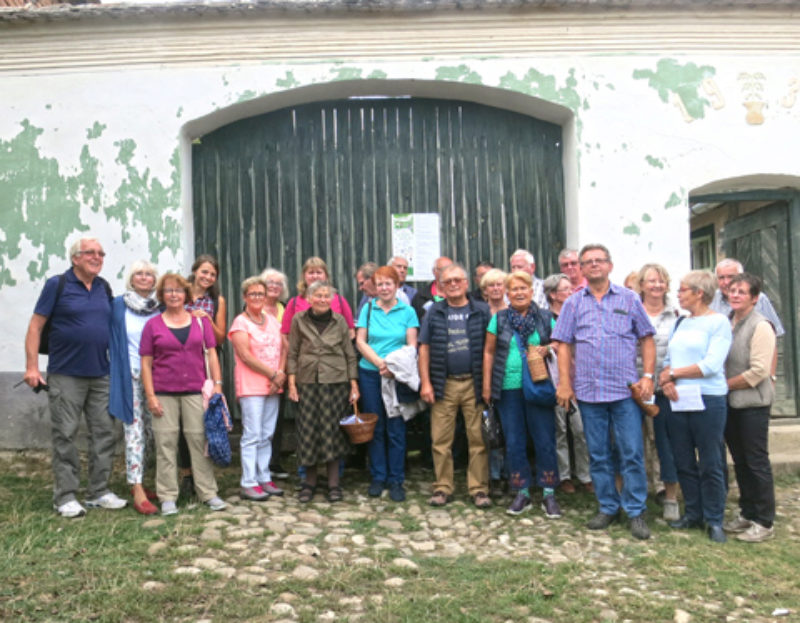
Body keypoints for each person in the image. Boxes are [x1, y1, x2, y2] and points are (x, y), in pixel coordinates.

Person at [552, 244, 655, 540]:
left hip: (624, 392)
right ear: (581, 270)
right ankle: (608, 506)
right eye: (588, 262)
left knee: (631, 453)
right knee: (598, 454)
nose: (594, 265)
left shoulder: (630, 299)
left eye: (600, 261)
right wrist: (564, 383)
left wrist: (648, 375)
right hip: (588, 393)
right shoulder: (573, 303)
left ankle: (635, 511)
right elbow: (563, 344)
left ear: (610, 265)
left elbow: (646, 338)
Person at [24, 236, 127, 518]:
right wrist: (32, 367)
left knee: (105, 433)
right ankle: (65, 495)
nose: (97, 257)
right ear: (75, 258)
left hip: (100, 373)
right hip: (65, 375)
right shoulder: (57, 285)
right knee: (65, 435)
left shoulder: (103, 287)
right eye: (90, 253)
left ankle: (98, 491)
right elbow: (35, 327)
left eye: (101, 253)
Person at [140, 273, 227, 515]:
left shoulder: (200, 322)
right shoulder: (153, 325)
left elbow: (211, 354)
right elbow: (146, 363)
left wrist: (217, 385)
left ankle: (208, 493)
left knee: (199, 442)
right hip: (164, 392)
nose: (174, 295)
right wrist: (151, 396)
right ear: (162, 296)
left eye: (178, 291)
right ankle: (168, 496)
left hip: (195, 392)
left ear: (186, 295)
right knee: (165, 444)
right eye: (168, 291)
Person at [658, 270, 732, 543]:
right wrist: (666, 381)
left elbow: (711, 365)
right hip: (678, 399)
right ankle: (693, 512)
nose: (678, 293)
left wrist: (674, 373)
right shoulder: (681, 323)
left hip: (708, 399)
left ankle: (714, 519)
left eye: (683, 289)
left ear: (699, 293)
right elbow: (668, 358)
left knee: (710, 461)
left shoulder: (719, 323)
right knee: (684, 459)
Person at [482, 271, 561, 518]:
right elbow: (489, 352)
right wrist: (487, 386)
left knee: (544, 439)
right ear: (507, 294)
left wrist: (546, 348)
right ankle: (522, 491)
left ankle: (549, 493)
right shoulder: (499, 319)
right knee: (514, 441)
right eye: (513, 289)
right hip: (508, 387)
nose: (518, 293)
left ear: (531, 291)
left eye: (522, 288)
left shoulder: (546, 317)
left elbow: (560, 343)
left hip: (539, 386)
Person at [418, 263, 491, 508]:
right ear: (440, 286)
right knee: (440, 440)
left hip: (474, 383)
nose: (453, 285)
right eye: (447, 281)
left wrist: (488, 385)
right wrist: (426, 382)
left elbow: (491, 350)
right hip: (443, 384)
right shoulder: (434, 312)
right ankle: (442, 487)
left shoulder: (482, 310)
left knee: (477, 439)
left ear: (466, 283)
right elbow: (424, 347)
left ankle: (479, 489)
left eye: (457, 280)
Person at [287, 281, 360, 503]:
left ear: (332, 300)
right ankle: (308, 482)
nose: (322, 299)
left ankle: (333, 483)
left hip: (336, 381)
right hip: (307, 381)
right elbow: (292, 353)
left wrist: (353, 384)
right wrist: (291, 383)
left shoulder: (339, 321)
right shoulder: (299, 319)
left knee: (332, 432)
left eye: (326, 296)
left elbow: (349, 354)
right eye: (318, 295)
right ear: (309, 299)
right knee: (308, 431)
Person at [355, 266, 419, 502]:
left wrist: (393, 367)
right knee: (376, 425)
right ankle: (378, 476)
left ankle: (396, 479)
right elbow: (361, 341)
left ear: (396, 286)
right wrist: (380, 363)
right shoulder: (368, 309)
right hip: (371, 373)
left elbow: (412, 345)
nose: (383, 288)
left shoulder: (408, 311)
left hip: (396, 375)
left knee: (396, 427)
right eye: (379, 284)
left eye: (388, 284)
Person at [723, 273, 777, 543]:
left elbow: (758, 371)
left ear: (755, 298)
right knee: (741, 461)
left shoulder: (760, 326)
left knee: (756, 462)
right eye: (733, 290)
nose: (735, 295)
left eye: (742, 292)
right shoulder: (730, 322)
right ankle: (748, 511)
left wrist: (724, 385)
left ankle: (764, 520)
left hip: (753, 404)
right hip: (733, 404)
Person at [109, 260, 161, 515]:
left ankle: (151, 480)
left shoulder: (160, 307)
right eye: (139, 273)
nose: (144, 278)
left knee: (156, 430)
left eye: (149, 274)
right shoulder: (118, 306)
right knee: (134, 430)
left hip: (158, 376)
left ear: (154, 280)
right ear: (131, 278)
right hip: (129, 374)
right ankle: (137, 487)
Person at [229, 276, 287, 501]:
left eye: (260, 294)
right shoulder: (240, 323)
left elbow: (284, 348)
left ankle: (264, 477)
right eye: (252, 294)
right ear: (245, 297)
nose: (257, 298)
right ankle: (248, 481)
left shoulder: (272, 319)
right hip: (252, 385)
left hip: (274, 385)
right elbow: (245, 355)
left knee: (267, 434)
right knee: (252, 435)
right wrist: (273, 374)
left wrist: (280, 374)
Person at [636, 263, 680, 521]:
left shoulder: (676, 314)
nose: (656, 285)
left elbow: (682, 348)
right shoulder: (631, 312)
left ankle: (670, 496)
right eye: (651, 281)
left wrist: (670, 374)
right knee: (633, 444)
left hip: (664, 386)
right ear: (641, 285)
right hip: (633, 386)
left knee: (665, 443)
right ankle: (636, 495)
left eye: (661, 281)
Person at [181, 254, 228, 498]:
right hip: (180, 360)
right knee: (181, 424)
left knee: (201, 419)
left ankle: (203, 474)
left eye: (212, 274)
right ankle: (186, 475)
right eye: (204, 272)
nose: (208, 277)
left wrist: (207, 319)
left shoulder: (216, 300)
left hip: (206, 363)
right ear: (195, 270)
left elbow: (220, 337)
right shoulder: (180, 292)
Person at [542, 273, 592, 495]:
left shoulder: (578, 313)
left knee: (581, 430)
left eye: (571, 288)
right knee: (559, 429)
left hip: (580, 378)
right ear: (553, 295)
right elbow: (539, 344)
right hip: (555, 380)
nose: (570, 292)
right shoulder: (544, 318)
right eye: (565, 289)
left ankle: (585, 475)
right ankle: (563, 475)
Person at [479, 267, 508, 497]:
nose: (496, 289)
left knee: (509, 428)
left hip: (508, 374)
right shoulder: (480, 313)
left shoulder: (513, 311)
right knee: (491, 428)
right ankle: (494, 476)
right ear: (484, 290)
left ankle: (511, 473)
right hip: (485, 374)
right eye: (491, 285)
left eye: (500, 284)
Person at [259, 267, 291, 480]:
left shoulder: (285, 308)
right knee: (257, 418)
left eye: (278, 284)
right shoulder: (254, 307)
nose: (274, 287)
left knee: (276, 418)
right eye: (269, 282)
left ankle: (273, 461)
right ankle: (256, 464)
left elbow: (288, 341)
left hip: (281, 368)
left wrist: (281, 371)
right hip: (258, 369)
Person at [282, 256, 355, 340]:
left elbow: (350, 332)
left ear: (326, 276)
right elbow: (285, 335)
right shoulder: (294, 303)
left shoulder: (339, 300)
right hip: (305, 352)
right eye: (311, 273)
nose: (315, 276)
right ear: (304, 276)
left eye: (319, 272)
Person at [711, 258, 785, 338]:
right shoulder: (709, 300)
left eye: (731, 277)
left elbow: (774, 333)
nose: (726, 282)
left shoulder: (759, 298)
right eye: (721, 278)